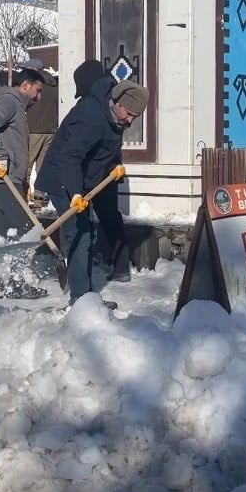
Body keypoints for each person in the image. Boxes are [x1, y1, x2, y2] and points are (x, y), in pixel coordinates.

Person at [35, 70, 148, 307]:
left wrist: (114, 166)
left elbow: (103, 151)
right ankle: (80, 301)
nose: (130, 121)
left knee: (88, 233)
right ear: (116, 103)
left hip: (82, 179)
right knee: (80, 234)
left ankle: (84, 295)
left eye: (135, 117)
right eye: (128, 114)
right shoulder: (91, 117)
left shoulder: (113, 115)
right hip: (62, 178)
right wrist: (75, 191)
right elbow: (70, 157)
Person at [70, 60, 133, 282]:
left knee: (88, 218)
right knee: (109, 216)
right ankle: (118, 265)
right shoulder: (112, 97)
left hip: (96, 170)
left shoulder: (97, 102)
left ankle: (107, 264)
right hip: (109, 167)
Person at [0, 68, 44, 237]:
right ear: (26, 85)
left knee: (2, 234)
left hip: (10, 177)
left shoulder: (19, 107)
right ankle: (37, 262)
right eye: (38, 90)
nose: (39, 96)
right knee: (26, 229)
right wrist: (0, 157)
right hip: (3, 177)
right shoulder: (9, 102)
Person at [25, 59, 59, 206]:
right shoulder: (54, 84)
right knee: (42, 166)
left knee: (26, 163)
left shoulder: (35, 85)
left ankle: (22, 194)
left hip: (34, 129)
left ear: (34, 69)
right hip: (51, 129)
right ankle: (39, 196)